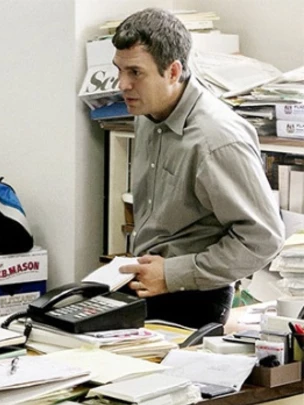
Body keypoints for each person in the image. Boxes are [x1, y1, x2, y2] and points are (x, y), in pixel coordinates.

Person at [111, 8, 285, 328]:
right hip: (147, 281)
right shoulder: (148, 113)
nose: (123, 84)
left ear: (173, 71)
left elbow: (263, 239)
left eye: (135, 72)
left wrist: (172, 274)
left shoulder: (216, 139)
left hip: (193, 297)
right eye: (119, 70)